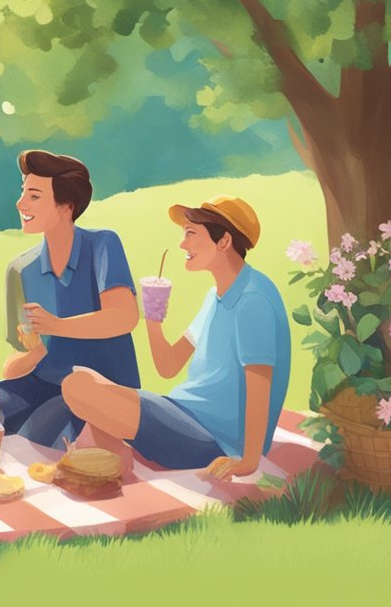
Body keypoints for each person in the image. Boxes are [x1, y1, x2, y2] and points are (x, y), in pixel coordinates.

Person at [60, 196, 291, 479]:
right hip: (182, 413)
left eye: (191, 233)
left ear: (224, 242)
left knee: (77, 388)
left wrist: (247, 461)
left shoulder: (252, 300)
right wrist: (153, 320)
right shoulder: (215, 296)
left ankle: (116, 457)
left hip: (214, 439)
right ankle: (115, 455)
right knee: (87, 382)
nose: (183, 243)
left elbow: (260, 384)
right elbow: (169, 365)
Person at [0, 151, 141, 448]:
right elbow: (13, 367)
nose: (20, 204)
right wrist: (35, 352)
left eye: (34, 196)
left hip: (99, 392)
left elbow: (124, 316)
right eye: (23, 193)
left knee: (32, 441)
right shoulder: (21, 269)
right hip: (39, 385)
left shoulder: (102, 245)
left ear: (67, 205)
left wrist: (56, 326)